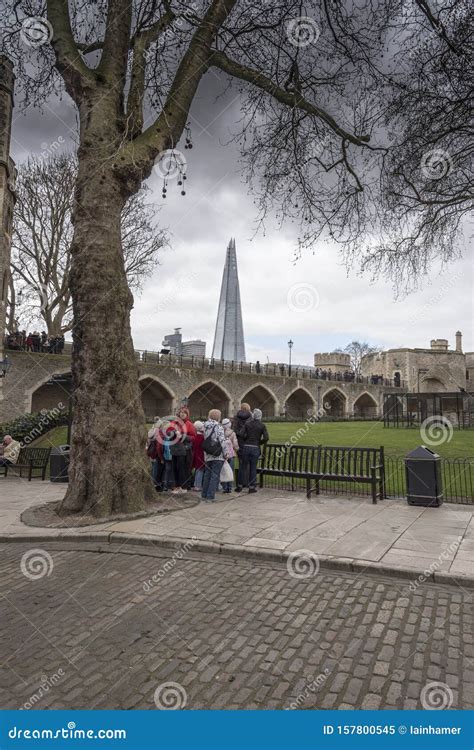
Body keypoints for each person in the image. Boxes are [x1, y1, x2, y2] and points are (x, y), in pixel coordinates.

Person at [237, 408, 269, 494]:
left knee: (243, 467)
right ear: (260, 416)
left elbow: (240, 434)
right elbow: (266, 438)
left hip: (246, 447)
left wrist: (245, 440)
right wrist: (259, 443)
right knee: (253, 468)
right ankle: (252, 487)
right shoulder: (262, 425)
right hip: (255, 447)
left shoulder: (247, 424)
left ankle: (239, 486)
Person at [201, 409, 228, 502]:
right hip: (217, 454)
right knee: (214, 476)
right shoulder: (218, 427)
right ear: (218, 417)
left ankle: (204, 495)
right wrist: (226, 453)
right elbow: (222, 441)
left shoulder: (204, 426)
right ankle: (210, 496)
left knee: (207, 475)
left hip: (207, 454)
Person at [169, 407, 196, 494]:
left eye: (184, 413)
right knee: (174, 468)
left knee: (183, 468)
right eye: (181, 412)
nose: (182, 414)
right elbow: (168, 433)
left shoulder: (189, 424)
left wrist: (183, 436)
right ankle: (176, 486)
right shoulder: (174, 423)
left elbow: (193, 437)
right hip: (174, 449)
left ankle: (184, 486)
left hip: (184, 450)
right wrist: (173, 433)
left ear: (187, 414)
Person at [233, 402, 252, 489]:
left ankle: (240, 483)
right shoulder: (251, 418)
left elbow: (234, 429)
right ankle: (247, 482)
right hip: (248, 442)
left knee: (241, 462)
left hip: (240, 442)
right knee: (248, 462)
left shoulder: (236, 417)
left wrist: (240, 435)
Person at [221, 418, 239, 493]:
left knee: (224, 470)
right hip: (231, 454)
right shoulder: (232, 433)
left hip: (223, 454)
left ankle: (224, 487)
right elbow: (235, 444)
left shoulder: (221, 432)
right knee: (230, 470)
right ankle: (230, 487)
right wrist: (237, 449)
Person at [191, 421, 205, 491]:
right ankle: (198, 485)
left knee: (197, 469)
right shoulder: (202, 437)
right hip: (201, 455)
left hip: (196, 455)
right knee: (200, 470)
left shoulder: (196, 436)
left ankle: (196, 484)